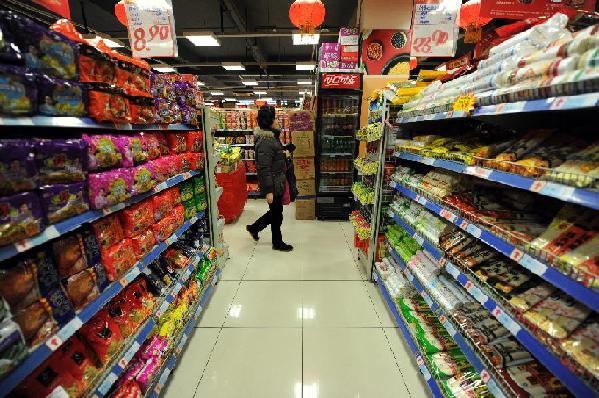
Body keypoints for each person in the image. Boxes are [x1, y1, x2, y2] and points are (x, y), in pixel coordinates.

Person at [246, 106, 294, 252]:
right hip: (273, 183)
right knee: (276, 214)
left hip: (277, 181)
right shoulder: (266, 141)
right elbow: (264, 168)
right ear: (270, 121)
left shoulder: (271, 137)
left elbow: (273, 159)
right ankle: (277, 242)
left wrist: (285, 152)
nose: (277, 121)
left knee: (275, 213)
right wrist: (268, 191)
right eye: (275, 118)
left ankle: (254, 228)